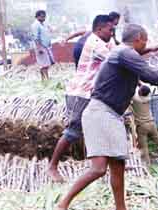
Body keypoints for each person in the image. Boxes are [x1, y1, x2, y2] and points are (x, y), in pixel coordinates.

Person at [54, 24, 158, 210]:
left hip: (113, 114)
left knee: (118, 165)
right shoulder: (125, 52)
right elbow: (155, 76)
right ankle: (63, 204)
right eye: (146, 40)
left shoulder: (126, 56)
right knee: (98, 169)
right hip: (100, 112)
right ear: (140, 38)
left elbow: (153, 76)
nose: (147, 45)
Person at [47, 15, 115, 182]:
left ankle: (109, 163)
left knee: (101, 126)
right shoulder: (95, 43)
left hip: (92, 93)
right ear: (99, 29)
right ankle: (52, 167)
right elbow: (118, 59)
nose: (112, 32)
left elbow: (119, 53)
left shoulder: (106, 41)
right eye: (110, 29)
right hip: (80, 93)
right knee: (73, 131)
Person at [132, 85, 158, 163]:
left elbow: (130, 90)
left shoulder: (135, 99)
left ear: (140, 92)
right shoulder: (149, 98)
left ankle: (147, 165)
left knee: (144, 148)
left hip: (142, 126)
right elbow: (145, 89)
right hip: (152, 124)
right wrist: (140, 84)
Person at [31, 10, 54, 80]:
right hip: (40, 47)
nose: (44, 18)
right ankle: (46, 79)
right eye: (42, 16)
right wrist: (39, 48)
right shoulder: (35, 25)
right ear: (37, 17)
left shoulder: (42, 24)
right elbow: (35, 37)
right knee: (44, 64)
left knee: (46, 63)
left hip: (46, 46)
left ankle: (43, 79)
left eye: (44, 16)